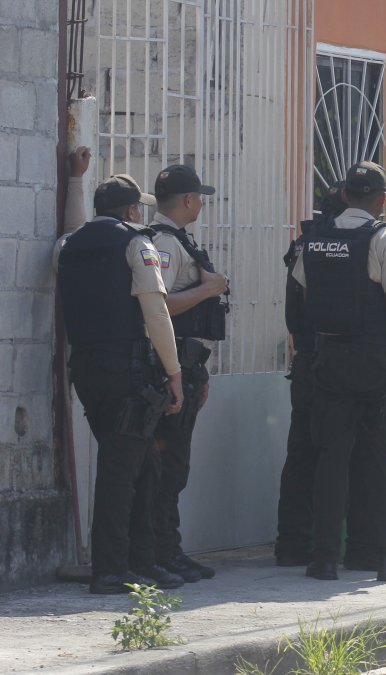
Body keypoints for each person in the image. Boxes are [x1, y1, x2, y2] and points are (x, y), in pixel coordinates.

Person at [291, 161, 386, 582]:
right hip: (373, 362)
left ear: (345, 193)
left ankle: (324, 558)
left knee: (331, 460)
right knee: (380, 462)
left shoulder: (314, 239)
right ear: (382, 199)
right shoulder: (384, 238)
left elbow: (303, 293)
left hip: (328, 362)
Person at [54, 167, 186, 593]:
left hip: (87, 371)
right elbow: (157, 312)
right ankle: (111, 569)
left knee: (142, 462)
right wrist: (175, 374)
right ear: (132, 210)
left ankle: (141, 563)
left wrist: (75, 182)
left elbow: (74, 227)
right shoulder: (136, 242)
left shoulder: (68, 246)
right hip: (127, 371)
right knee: (121, 467)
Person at [147, 164, 228, 582]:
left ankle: (169, 549)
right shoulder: (162, 243)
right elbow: (157, 304)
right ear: (187, 201)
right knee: (166, 466)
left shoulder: (179, 240)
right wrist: (209, 289)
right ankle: (157, 553)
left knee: (175, 467)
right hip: (169, 366)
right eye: (198, 197)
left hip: (188, 364)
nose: (200, 203)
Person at [273, 190, 347, 567]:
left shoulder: (306, 245)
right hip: (334, 361)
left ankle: (292, 543)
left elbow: (293, 312)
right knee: (332, 453)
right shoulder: (345, 246)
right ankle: (323, 543)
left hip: (307, 358)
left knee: (301, 450)